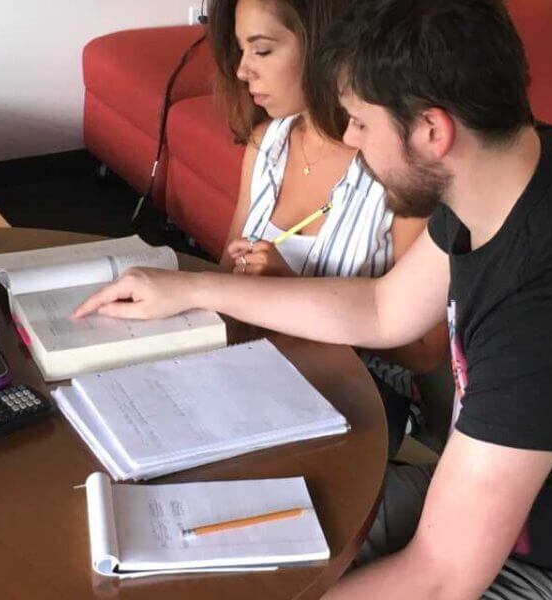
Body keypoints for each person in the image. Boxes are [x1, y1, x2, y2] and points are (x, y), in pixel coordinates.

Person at [75, 0, 552, 597]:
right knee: (227, 543)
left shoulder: (547, 310)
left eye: (361, 122)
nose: (350, 140)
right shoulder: (520, 166)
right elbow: (384, 308)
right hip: (502, 513)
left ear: (432, 131)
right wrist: (189, 286)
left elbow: (441, 579)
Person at [208, 0, 447, 455]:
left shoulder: (396, 168)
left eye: (262, 50)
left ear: (321, 47)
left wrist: (289, 289)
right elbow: (225, 275)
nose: (242, 70)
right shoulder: (266, 143)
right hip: (259, 362)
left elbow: (424, 349)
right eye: (241, 50)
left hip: (361, 387)